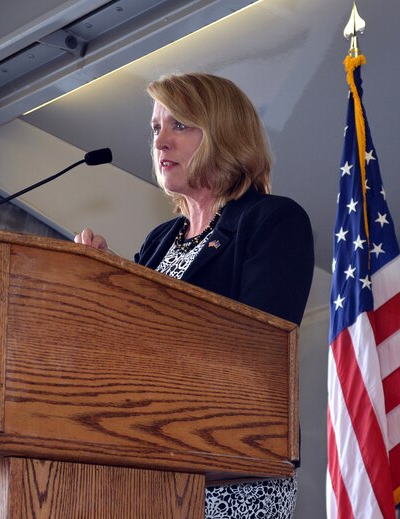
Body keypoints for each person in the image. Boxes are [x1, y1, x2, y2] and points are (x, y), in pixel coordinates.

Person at [75, 72, 314, 519]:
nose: (161, 142)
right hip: (153, 462)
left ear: (224, 134)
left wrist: (131, 301)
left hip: (236, 464)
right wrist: (101, 286)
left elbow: (255, 348)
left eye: (179, 126)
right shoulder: (160, 240)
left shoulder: (272, 221)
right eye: (155, 128)